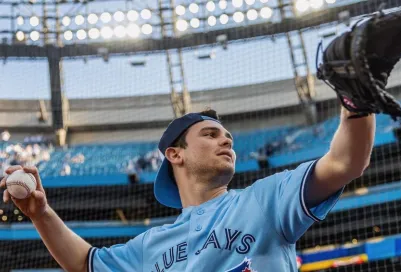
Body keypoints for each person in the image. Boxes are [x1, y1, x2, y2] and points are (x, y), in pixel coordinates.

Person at [0, 107, 375, 271]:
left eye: (228, 137)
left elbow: (346, 162)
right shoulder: (150, 246)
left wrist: (356, 104)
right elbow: (85, 263)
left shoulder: (263, 200)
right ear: (174, 154)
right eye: (210, 135)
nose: (226, 142)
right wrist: (40, 213)